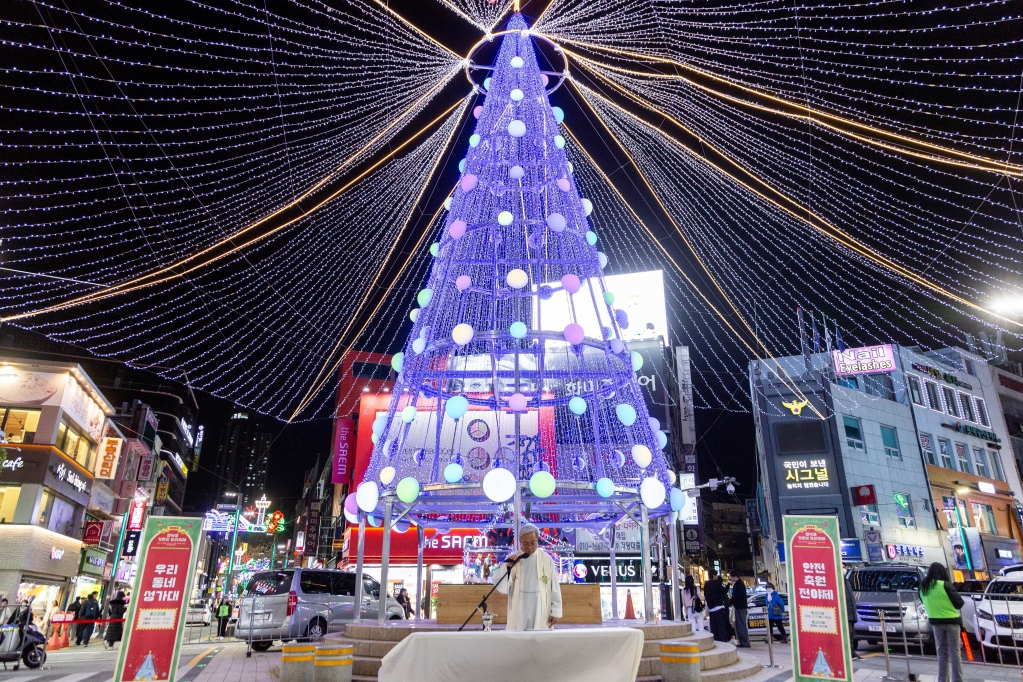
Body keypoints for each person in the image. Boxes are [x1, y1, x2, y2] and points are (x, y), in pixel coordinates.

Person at [491, 524, 562, 630]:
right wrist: (508, 567)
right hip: (520, 606)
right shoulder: (514, 559)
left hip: (540, 605)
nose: (529, 547)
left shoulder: (547, 560)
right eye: (525, 543)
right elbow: (502, 586)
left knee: (539, 642)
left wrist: (555, 611)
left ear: (537, 540)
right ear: (520, 542)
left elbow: (554, 587)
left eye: (533, 543)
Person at [919, 562, 964, 682]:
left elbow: (923, 601)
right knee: (955, 652)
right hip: (952, 622)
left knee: (941, 652)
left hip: (935, 622)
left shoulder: (923, 586)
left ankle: (942, 679)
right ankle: (957, 679)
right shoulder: (945, 585)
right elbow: (959, 603)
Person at [704, 571, 730, 642]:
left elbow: (706, 596)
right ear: (714, 576)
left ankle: (715, 640)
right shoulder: (716, 583)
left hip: (711, 609)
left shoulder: (706, 584)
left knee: (713, 627)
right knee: (721, 626)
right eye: (716, 575)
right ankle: (723, 640)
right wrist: (728, 585)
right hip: (719, 607)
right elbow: (724, 591)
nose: (716, 577)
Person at [729, 571, 750, 648]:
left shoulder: (739, 585)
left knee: (741, 624)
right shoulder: (739, 584)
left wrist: (730, 602)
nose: (730, 578)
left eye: (731, 576)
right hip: (740, 606)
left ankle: (745, 642)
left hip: (740, 607)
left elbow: (736, 596)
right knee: (740, 624)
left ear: (735, 576)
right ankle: (744, 642)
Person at [845, 577, 860, 659]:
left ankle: (851, 652)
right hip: (846, 612)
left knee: (851, 634)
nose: (844, 568)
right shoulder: (838, 581)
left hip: (850, 612)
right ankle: (850, 652)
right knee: (848, 633)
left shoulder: (845, 580)